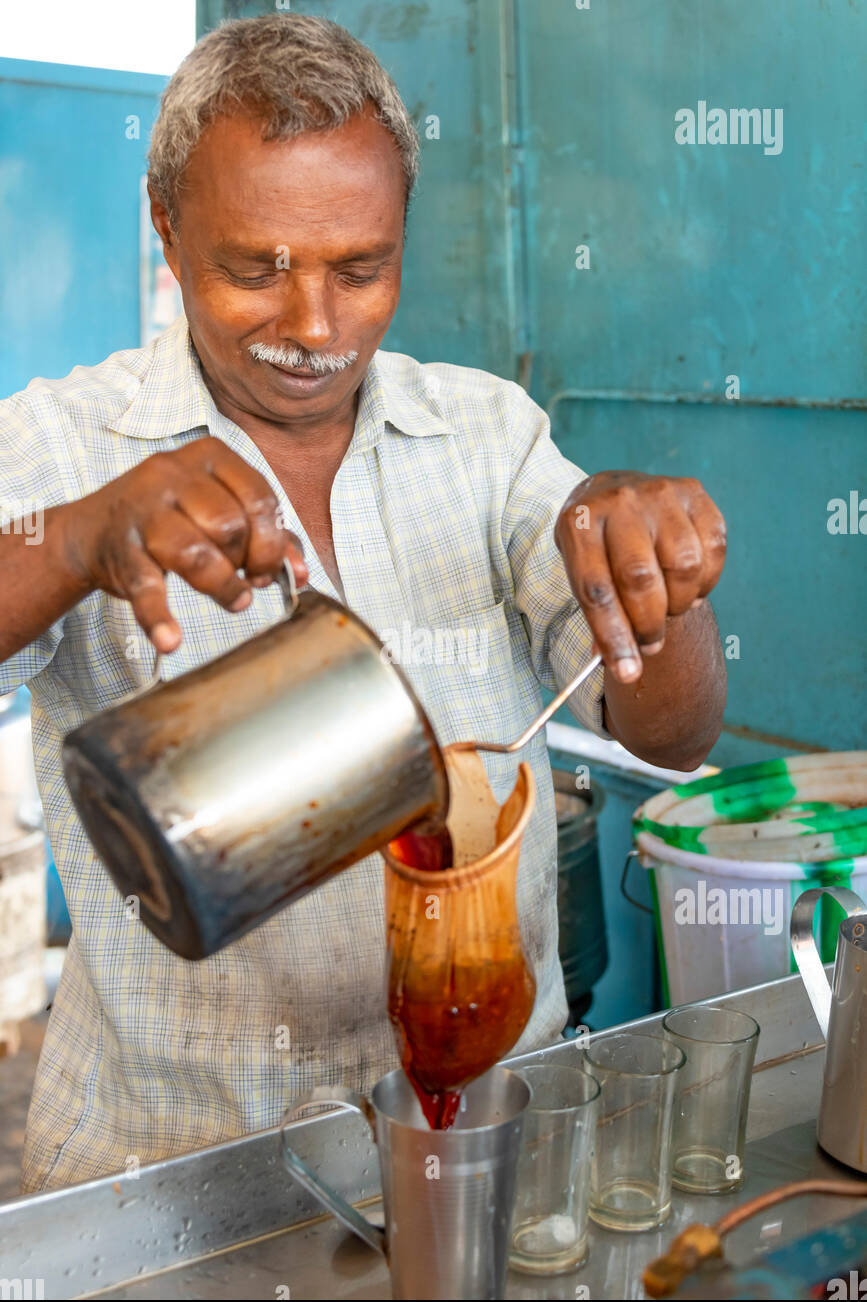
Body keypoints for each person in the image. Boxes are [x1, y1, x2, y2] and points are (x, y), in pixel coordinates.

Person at [0, 14, 726, 1192]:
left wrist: (666, 584)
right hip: (176, 1173)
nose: (314, 327)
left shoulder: (487, 436)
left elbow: (677, 734)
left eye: (359, 267)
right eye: (255, 268)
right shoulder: (66, 442)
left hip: (482, 1139)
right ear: (166, 225)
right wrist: (83, 536)